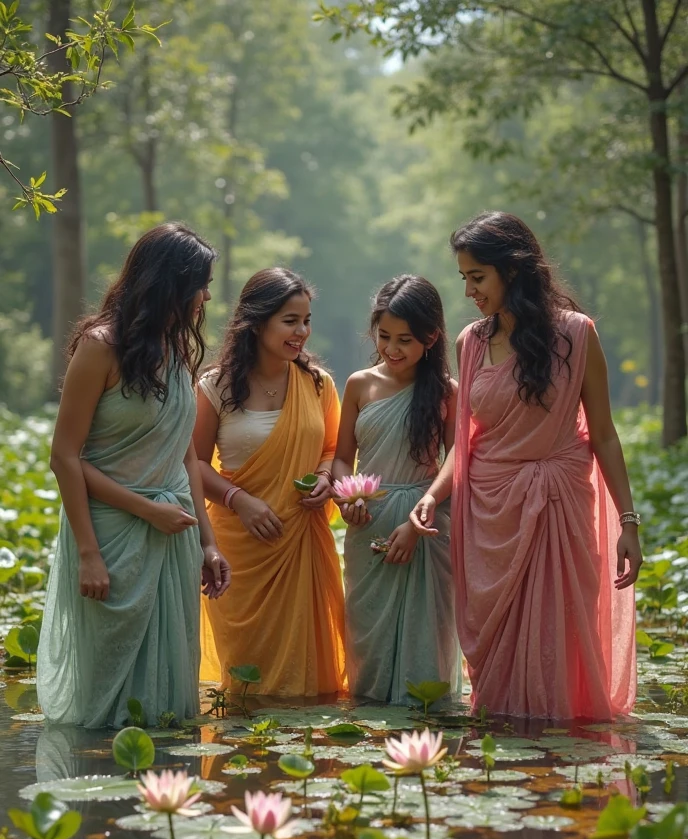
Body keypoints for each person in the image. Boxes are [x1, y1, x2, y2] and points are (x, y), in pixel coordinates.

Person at [410, 211, 641, 720]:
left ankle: (564, 760)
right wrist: (431, 496)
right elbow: (465, 443)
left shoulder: (576, 334)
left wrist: (628, 521)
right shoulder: (471, 341)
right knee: (496, 663)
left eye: (478, 276)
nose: (469, 290)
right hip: (490, 511)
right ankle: (503, 756)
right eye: (464, 278)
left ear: (511, 271)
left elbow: (602, 432)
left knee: (557, 637)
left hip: (558, 506)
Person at [37, 223, 231, 729]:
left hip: (175, 537)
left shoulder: (177, 351)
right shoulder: (100, 347)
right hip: (109, 535)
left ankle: (162, 794)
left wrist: (208, 544)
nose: (206, 296)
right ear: (170, 283)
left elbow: (187, 458)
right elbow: (65, 457)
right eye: (200, 284)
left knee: (168, 699)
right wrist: (89, 553)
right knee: (106, 699)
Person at [194, 267, 345, 698]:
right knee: (246, 686)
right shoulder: (216, 386)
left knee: (310, 682)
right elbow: (194, 464)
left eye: (307, 320)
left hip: (302, 542)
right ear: (257, 322)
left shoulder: (318, 385)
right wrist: (238, 499)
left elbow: (334, 450)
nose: (302, 331)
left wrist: (322, 478)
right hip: (238, 549)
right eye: (290, 320)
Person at [333, 275, 459, 702]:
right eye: (384, 336)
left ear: (431, 336)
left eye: (405, 339)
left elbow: (457, 458)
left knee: (428, 635)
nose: (392, 348)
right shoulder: (359, 384)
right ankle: (370, 725)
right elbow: (340, 458)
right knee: (368, 638)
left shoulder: (446, 392)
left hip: (425, 523)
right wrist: (346, 497)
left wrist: (420, 512)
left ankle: (429, 724)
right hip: (367, 523)